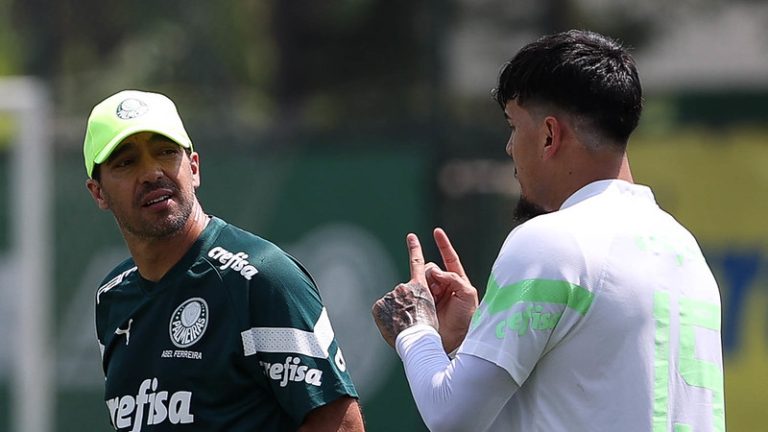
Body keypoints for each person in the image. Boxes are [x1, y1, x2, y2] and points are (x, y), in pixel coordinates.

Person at [372, 29, 725, 432]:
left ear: (549, 135)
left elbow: (451, 417)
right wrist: (476, 340)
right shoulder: (684, 249)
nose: (509, 147)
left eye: (513, 125)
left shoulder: (549, 242)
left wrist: (414, 328)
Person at [84, 89, 365, 431]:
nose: (151, 172)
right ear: (98, 192)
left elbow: (341, 426)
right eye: (126, 162)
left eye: (166, 152)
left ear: (194, 167)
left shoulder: (261, 280)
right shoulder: (112, 297)